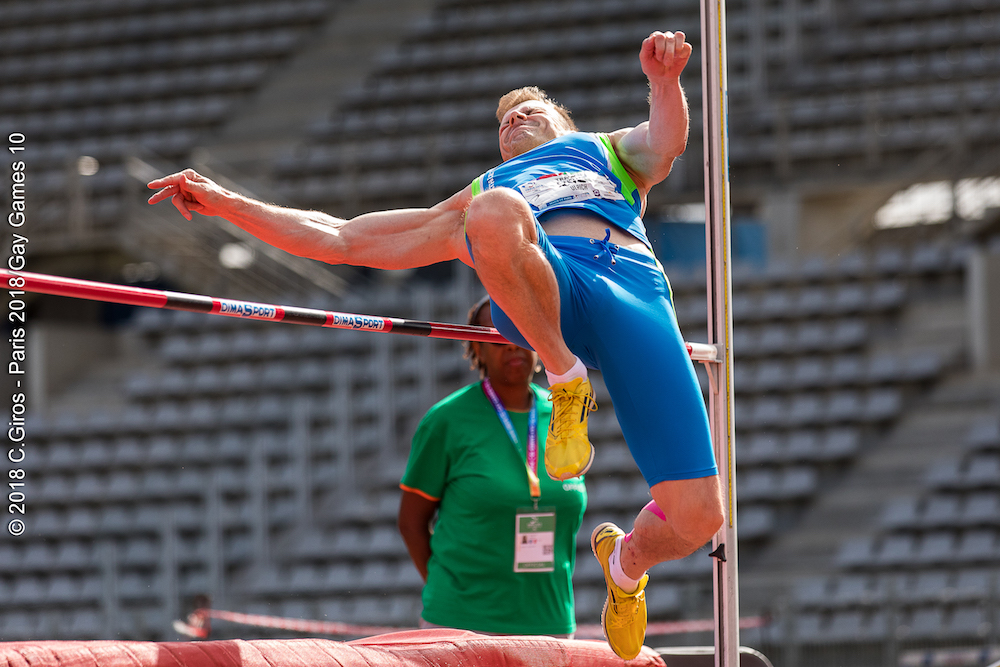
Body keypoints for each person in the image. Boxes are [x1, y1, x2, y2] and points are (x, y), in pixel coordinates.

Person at [148, 30, 723, 659]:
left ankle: (625, 566)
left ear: (564, 123)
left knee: (699, 517)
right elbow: (342, 238)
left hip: (632, 293)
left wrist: (664, 81)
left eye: (529, 111)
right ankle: (565, 379)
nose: (513, 121)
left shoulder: (604, 149)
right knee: (494, 208)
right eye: (504, 121)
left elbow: (666, 142)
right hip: (548, 297)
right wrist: (229, 204)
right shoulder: (483, 192)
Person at [397, 296, 587, 637]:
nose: (511, 345)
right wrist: (454, 594)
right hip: (460, 627)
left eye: (521, 331)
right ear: (477, 349)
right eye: (496, 335)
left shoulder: (565, 415)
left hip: (552, 625)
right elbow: (411, 523)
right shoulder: (446, 421)